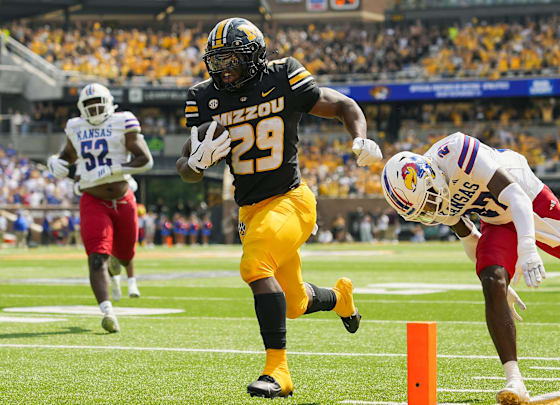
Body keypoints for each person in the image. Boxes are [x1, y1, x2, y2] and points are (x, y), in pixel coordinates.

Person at [175, 18, 382, 399]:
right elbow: (184, 166)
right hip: (249, 211)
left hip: (291, 200)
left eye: (232, 59)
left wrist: (361, 139)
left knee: (255, 266)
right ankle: (340, 298)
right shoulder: (203, 97)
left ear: (254, 56)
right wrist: (196, 165)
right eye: (217, 61)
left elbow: (343, 105)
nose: (223, 69)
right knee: (294, 304)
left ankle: (278, 371)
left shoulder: (283, 76)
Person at [381, 132, 560, 405]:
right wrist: (504, 283)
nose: (432, 208)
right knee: (491, 279)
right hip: (497, 220)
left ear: (430, 174)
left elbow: (517, 196)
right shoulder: (429, 200)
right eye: (422, 210)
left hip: (530, 199)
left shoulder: (456, 152)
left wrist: (527, 247)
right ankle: (515, 380)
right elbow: (469, 237)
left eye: (429, 200)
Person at [46, 82, 153, 333]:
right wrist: (55, 161)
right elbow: (68, 155)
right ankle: (107, 310)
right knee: (96, 257)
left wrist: (115, 170)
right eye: (89, 105)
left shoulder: (123, 121)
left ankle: (120, 263)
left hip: (123, 197)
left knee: (125, 254)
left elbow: (145, 160)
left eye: (98, 104)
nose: (94, 109)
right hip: (92, 199)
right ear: (81, 108)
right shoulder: (75, 127)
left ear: (108, 104)